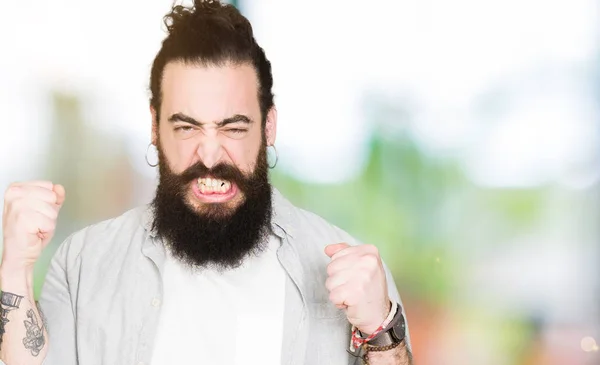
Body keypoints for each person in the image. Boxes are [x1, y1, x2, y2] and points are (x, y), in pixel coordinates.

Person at [0, 1, 412, 364]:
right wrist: (15, 268)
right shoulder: (83, 264)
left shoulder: (354, 272)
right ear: (155, 128)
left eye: (233, 128)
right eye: (186, 128)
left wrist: (380, 327)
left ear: (268, 126)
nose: (210, 156)